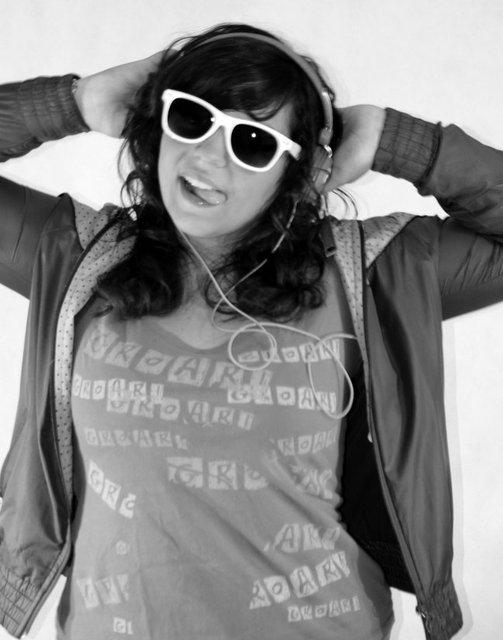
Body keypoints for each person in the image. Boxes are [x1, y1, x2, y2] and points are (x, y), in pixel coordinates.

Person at [0, 21, 502, 640]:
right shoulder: (79, 259)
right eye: (192, 118)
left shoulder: (366, 272)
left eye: (254, 142)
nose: (209, 156)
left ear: (297, 174)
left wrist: (394, 138)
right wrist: (73, 100)